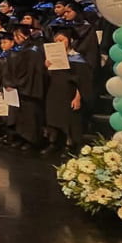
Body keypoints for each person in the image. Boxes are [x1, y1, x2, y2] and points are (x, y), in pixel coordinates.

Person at [43, 26, 93, 156]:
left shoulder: (77, 58)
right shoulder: (53, 58)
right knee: (54, 118)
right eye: (56, 41)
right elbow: (49, 78)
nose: (59, 43)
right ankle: (54, 143)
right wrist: (47, 67)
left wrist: (78, 97)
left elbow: (83, 81)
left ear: (69, 40)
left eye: (62, 40)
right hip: (54, 92)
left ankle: (69, 145)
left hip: (69, 93)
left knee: (69, 120)